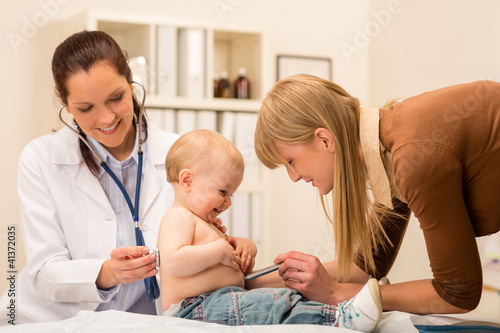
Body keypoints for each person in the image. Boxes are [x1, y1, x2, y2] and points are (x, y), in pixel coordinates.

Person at [251, 74, 500, 315]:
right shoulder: (387, 150)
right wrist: (247, 282)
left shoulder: (412, 159)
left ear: (325, 140)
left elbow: (457, 294)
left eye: (291, 162)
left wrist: (338, 293)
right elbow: (366, 266)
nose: (293, 177)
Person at [0, 30, 181, 325]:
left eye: (116, 98)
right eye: (86, 108)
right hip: (55, 320)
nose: (107, 118)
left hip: (153, 321)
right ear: (67, 105)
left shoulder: (181, 152)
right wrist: (107, 272)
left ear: (131, 84)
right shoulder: (40, 159)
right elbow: (44, 269)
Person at [157, 129, 383, 332]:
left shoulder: (203, 222)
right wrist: (218, 250)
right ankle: (338, 319)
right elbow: (173, 261)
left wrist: (246, 247)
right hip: (194, 308)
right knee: (269, 305)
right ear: (187, 180)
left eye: (231, 195)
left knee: (283, 298)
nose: (227, 202)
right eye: (223, 191)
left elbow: (228, 262)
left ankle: (347, 307)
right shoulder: (178, 217)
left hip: (221, 300)